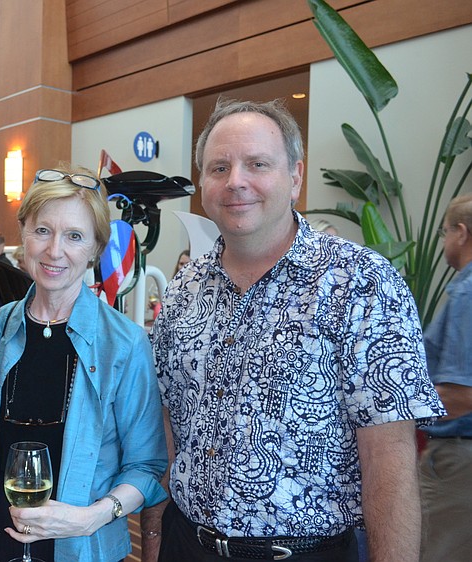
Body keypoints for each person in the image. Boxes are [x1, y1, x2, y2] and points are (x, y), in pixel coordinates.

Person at [149, 99, 444, 562]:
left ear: (296, 177)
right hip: (188, 544)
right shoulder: (184, 289)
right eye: (219, 167)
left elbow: (389, 464)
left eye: (257, 164)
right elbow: (168, 430)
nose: (236, 181)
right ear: (203, 184)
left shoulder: (361, 282)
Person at [0, 167, 167, 562]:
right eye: (42, 230)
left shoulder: (125, 344)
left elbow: (146, 467)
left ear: (95, 248)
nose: (54, 250)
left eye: (74, 236)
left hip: (83, 548)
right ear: (23, 232)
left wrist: (90, 518)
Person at [419, 193, 472, 562]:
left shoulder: (467, 293)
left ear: (462, 233)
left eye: (444, 232)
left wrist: (398, 417)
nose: (444, 241)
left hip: (459, 460)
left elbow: (460, 394)